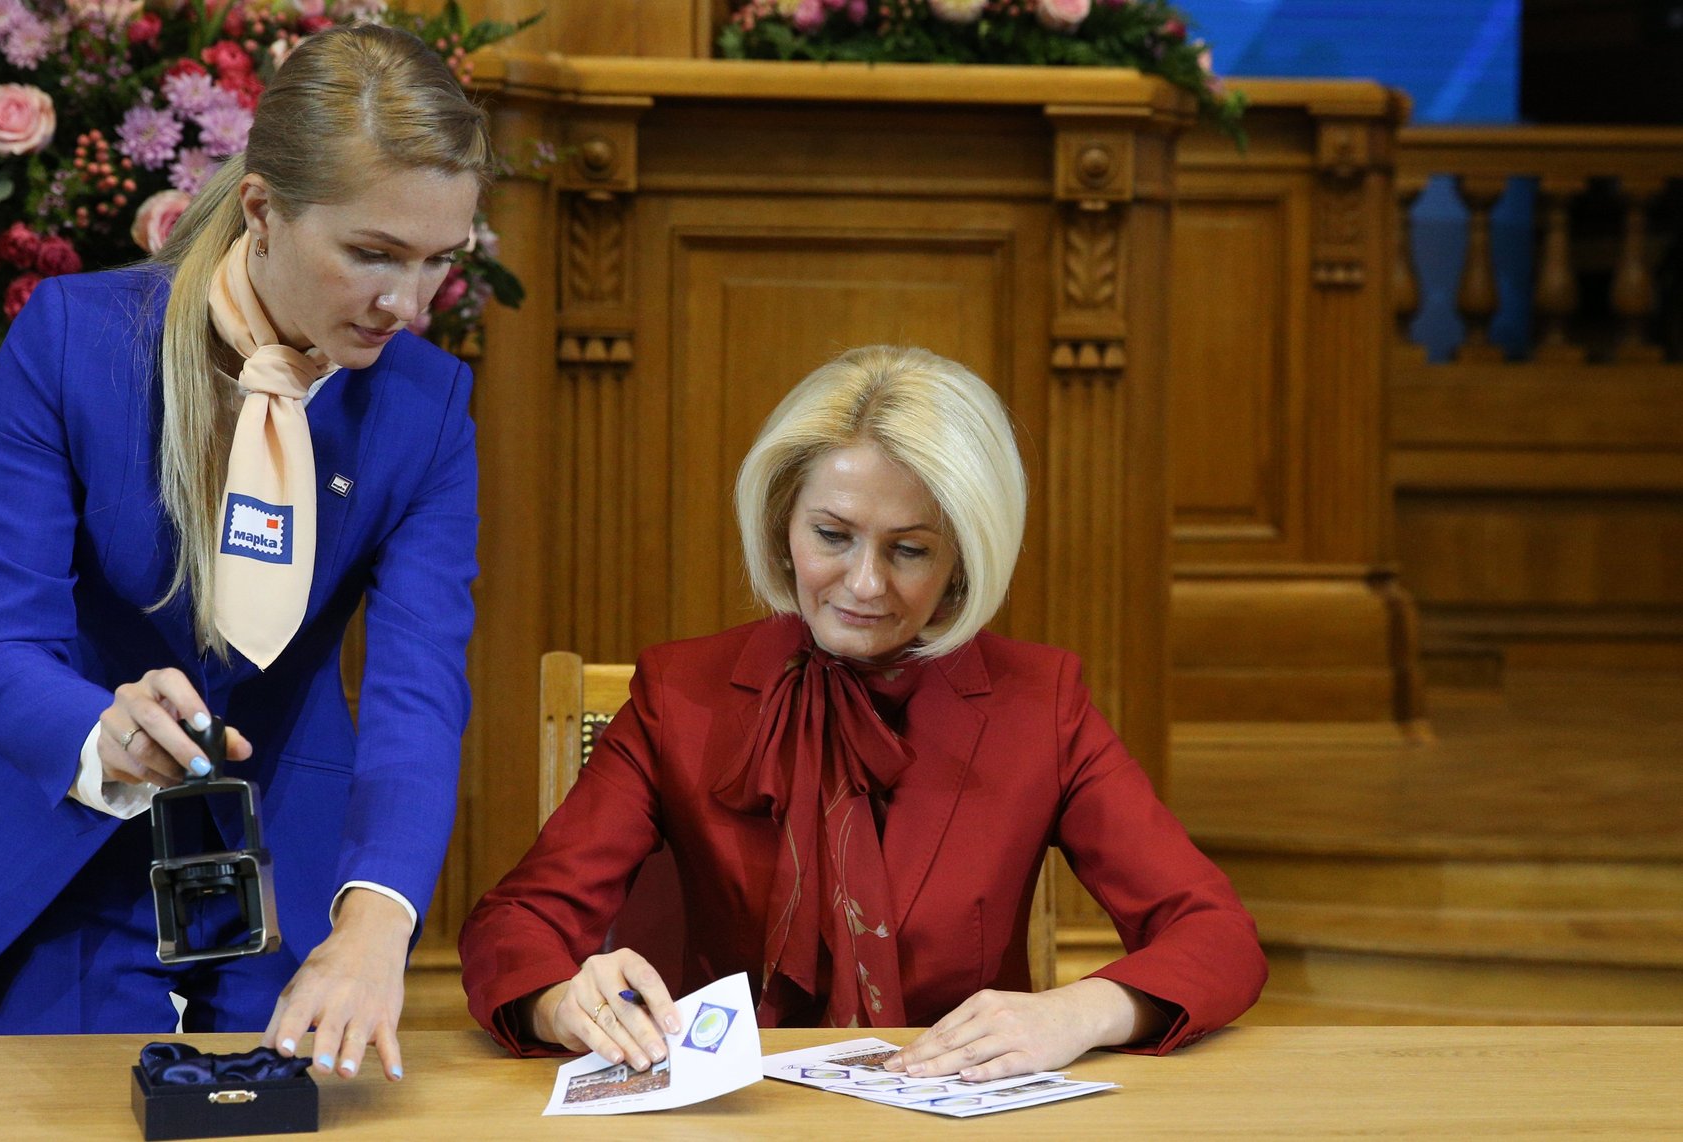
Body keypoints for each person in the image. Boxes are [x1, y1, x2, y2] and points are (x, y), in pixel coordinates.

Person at [0, 25, 486, 1084]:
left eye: (439, 261)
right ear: (262, 210)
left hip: (280, 862)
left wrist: (377, 920)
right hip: (66, 849)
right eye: (374, 254)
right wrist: (99, 727)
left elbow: (417, 694)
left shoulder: (427, 411)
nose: (409, 305)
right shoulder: (74, 339)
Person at [460, 345, 1266, 1081]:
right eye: (833, 535)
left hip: (954, 1114)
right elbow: (516, 922)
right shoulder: (680, 693)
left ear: (962, 559)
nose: (865, 583)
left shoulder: (1041, 704)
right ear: (783, 523)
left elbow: (1217, 935)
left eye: (909, 550)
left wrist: (1078, 1011)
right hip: (739, 1114)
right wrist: (563, 1001)